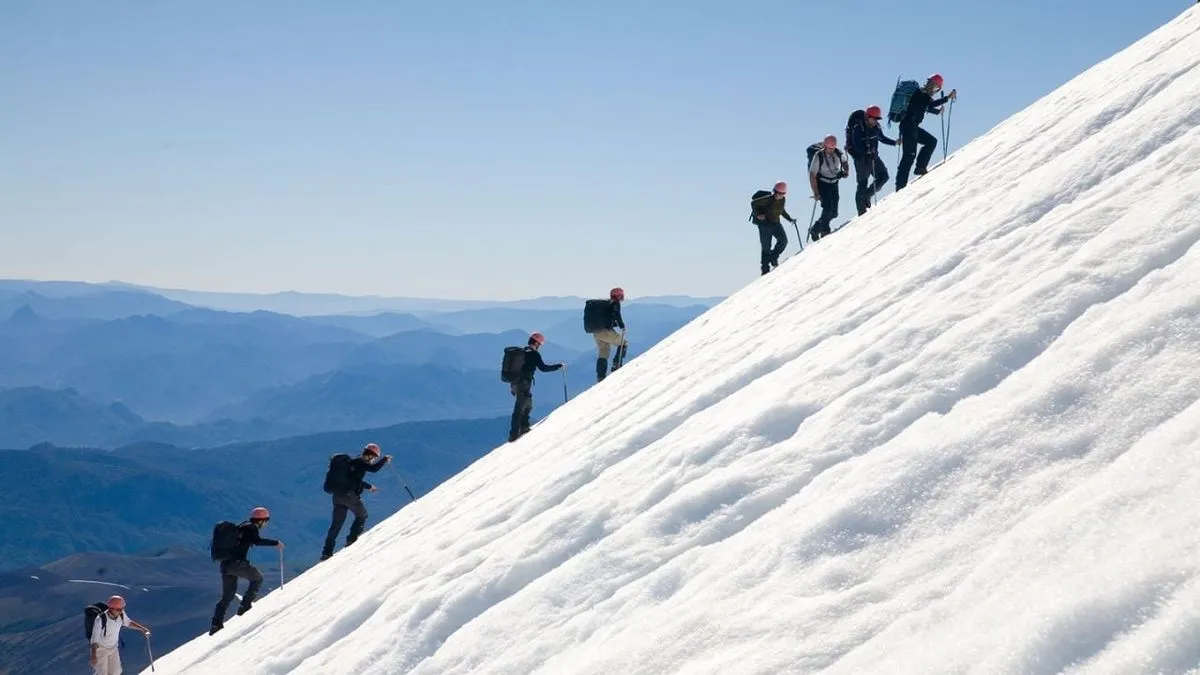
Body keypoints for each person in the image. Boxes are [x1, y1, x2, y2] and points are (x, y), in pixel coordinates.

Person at [210, 506, 283, 635]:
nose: (266, 524)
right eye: (266, 521)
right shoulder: (251, 528)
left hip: (225, 565)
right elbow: (257, 541)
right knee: (257, 578)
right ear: (262, 520)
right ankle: (245, 606)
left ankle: (216, 624)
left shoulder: (243, 526)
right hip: (237, 564)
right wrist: (275, 543)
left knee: (227, 596)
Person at [321, 442, 393, 561]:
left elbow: (353, 480)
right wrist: (384, 460)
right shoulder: (362, 462)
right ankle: (351, 540)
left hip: (337, 495)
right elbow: (374, 469)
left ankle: (326, 552)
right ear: (370, 455)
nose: (374, 460)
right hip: (348, 496)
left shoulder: (353, 462)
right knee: (362, 515)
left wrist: (369, 486)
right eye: (374, 457)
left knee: (336, 524)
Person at [895, 73, 957, 191]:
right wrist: (947, 98)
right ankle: (900, 186)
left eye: (935, 88)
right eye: (934, 87)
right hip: (909, 127)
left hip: (911, 126)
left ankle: (920, 168)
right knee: (909, 156)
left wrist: (937, 112)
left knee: (931, 141)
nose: (934, 90)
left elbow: (926, 106)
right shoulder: (921, 93)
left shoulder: (921, 95)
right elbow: (930, 104)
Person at [508, 332, 564, 442]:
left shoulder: (522, 352)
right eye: (540, 344)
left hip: (515, 384)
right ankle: (514, 434)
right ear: (537, 343)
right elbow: (544, 368)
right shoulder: (534, 354)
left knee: (528, 405)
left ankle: (524, 427)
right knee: (519, 408)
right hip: (524, 383)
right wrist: (558, 366)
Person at [846, 105, 899, 215]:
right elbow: (857, 146)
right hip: (861, 160)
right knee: (862, 183)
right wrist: (867, 153)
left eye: (877, 119)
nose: (875, 121)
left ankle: (866, 196)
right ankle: (861, 211)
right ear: (867, 116)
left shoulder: (876, 127)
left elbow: (882, 138)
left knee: (884, 176)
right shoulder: (858, 128)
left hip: (873, 157)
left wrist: (894, 142)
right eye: (874, 118)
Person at [88, 595, 150, 675]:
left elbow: (128, 622)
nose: (121, 611)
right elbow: (94, 639)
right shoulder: (100, 619)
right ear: (111, 609)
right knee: (102, 673)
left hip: (113, 648)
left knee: (116, 672)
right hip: (100, 650)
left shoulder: (121, 614)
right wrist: (93, 655)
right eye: (119, 609)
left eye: (122, 608)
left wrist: (143, 629)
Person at [749, 181, 798, 275]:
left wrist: (790, 219)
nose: (779, 195)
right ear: (774, 191)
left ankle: (773, 257)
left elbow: (781, 210)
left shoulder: (782, 200)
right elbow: (753, 203)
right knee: (766, 248)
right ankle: (765, 270)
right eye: (777, 193)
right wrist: (758, 214)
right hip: (765, 225)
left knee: (783, 241)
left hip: (776, 224)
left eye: (782, 194)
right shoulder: (767, 199)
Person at [808, 135, 850, 241]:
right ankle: (825, 232)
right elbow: (812, 175)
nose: (831, 150)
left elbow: (845, 162)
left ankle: (815, 229)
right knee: (827, 208)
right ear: (825, 146)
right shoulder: (818, 156)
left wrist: (845, 171)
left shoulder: (838, 152)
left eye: (833, 148)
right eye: (829, 148)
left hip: (834, 183)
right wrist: (816, 192)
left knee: (834, 213)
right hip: (823, 184)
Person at [592, 287, 627, 382]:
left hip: (596, 332)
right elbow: (617, 314)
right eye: (621, 295)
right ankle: (617, 363)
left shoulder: (606, 304)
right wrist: (622, 326)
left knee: (603, 353)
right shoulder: (615, 303)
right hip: (605, 331)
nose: (622, 297)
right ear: (618, 295)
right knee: (623, 343)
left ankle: (600, 376)